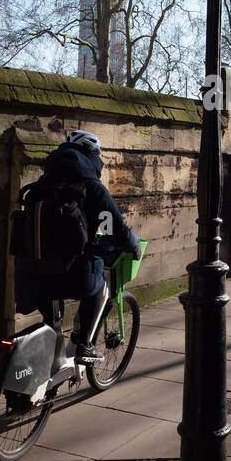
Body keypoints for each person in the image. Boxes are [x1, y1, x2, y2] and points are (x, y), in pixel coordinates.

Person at [15, 129, 139, 363]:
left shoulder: (40, 185)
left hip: (30, 271)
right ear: (92, 155)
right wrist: (132, 244)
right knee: (100, 286)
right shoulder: (90, 187)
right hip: (70, 273)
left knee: (52, 322)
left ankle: (50, 366)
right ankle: (84, 345)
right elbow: (114, 227)